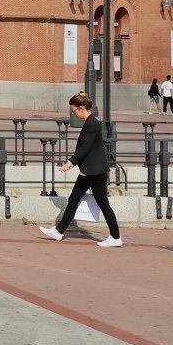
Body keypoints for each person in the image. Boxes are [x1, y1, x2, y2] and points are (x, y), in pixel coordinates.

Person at [39, 91, 122, 247]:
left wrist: (71, 162)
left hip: (95, 172)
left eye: (74, 110)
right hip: (89, 170)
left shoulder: (92, 124)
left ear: (82, 108)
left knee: (103, 204)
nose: (73, 113)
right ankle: (58, 231)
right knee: (73, 200)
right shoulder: (90, 122)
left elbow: (85, 147)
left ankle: (116, 237)